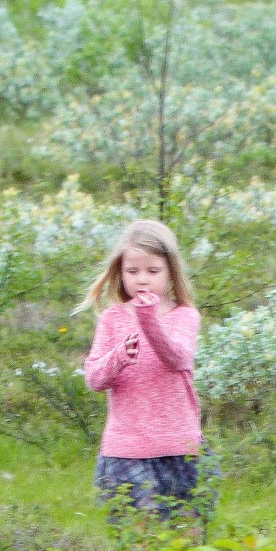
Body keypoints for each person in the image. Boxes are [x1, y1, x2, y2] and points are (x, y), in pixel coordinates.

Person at [77, 219, 203, 521]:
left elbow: (177, 357)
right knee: (138, 537)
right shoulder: (112, 318)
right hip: (125, 449)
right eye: (132, 271)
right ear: (120, 273)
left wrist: (148, 320)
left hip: (179, 447)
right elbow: (94, 378)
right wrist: (119, 355)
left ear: (171, 272)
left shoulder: (185, 315)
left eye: (153, 271)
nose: (142, 280)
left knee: (187, 538)